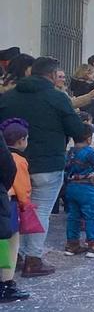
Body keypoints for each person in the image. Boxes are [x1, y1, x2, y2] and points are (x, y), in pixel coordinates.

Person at [0, 57, 87, 278]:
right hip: (47, 165)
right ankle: (33, 259)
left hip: (12, 165)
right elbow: (77, 130)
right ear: (50, 75)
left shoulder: (8, 97)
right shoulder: (57, 98)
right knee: (40, 211)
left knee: (12, 211)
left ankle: (13, 257)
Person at [62, 128, 94, 257]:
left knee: (73, 216)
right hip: (87, 187)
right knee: (91, 216)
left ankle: (72, 244)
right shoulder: (89, 151)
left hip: (71, 187)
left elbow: (66, 167)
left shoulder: (71, 151)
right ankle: (93, 245)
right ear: (89, 139)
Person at [0, 119, 31, 301]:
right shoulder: (18, 160)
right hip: (7, 201)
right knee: (8, 242)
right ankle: (5, 283)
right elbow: (9, 172)